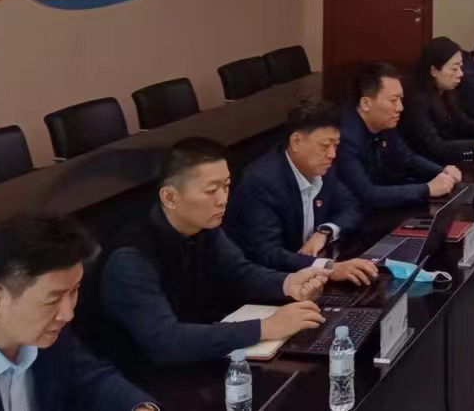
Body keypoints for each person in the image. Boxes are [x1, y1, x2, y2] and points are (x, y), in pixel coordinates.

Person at [96, 138, 330, 370]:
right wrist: (266, 327)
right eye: (211, 191)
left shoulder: (203, 226)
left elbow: (239, 273)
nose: (223, 200)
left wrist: (287, 283)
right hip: (143, 374)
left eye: (226, 186)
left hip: (200, 350)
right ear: (170, 197)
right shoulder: (130, 259)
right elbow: (165, 341)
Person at [0, 213, 160, 411]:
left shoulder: (49, 335)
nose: (68, 314)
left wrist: (142, 407)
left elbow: (91, 378)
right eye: (52, 300)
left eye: (74, 290)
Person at [225, 100, 379, 285]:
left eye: (336, 146)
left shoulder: (323, 169)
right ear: (296, 142)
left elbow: (352, 206)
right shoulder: (261, 181)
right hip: (271, 283)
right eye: (325, 146)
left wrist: (324, 232)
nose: (332, 154)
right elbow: (267, 254)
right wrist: (328, 267)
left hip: (311, 275)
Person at [337, 62, 461, 209]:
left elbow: (406, 158)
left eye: (400, 100)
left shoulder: (385, 124)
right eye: (393, 100)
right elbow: (368, 194)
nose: (400, 108)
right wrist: (427, 189)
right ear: (366, 104)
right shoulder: (345, 138)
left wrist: (442, 171)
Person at [400, 37, 474, 165]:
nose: (461, 74)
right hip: (426, 167)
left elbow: (462, 121)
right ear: (434, 71)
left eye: (460, 67)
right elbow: (436, 147)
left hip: (447, 163)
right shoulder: (415, 99)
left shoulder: (447, 91)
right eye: (454, 69)